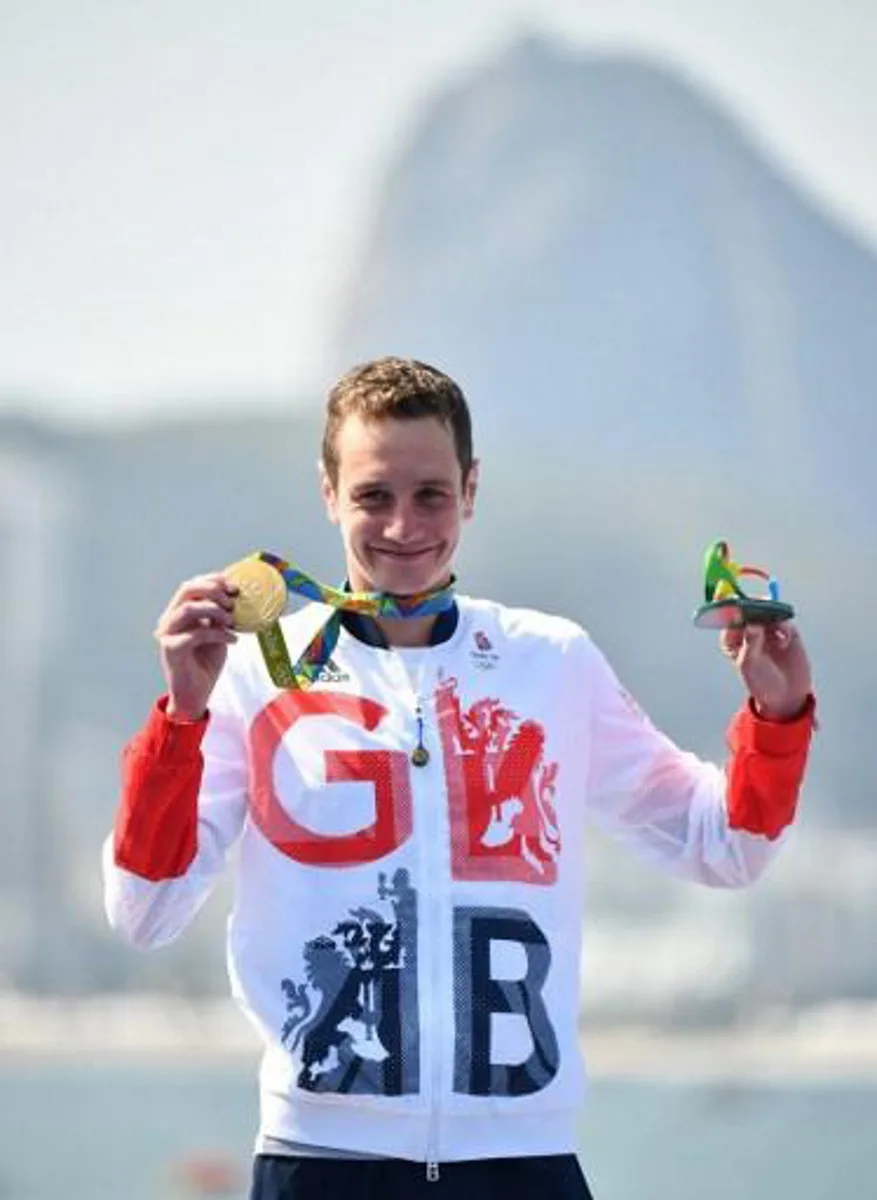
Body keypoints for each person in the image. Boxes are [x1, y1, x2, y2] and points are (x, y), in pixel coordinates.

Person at [103, 356, 816, 1200]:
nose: (403, 525)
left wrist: (778, 715)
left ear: (470, 490)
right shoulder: (255, 673)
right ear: (327, 493)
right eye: (373, 495)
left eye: (430, 494)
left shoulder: (550, 660)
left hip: (524, 1164)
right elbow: (143, 912)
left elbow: (723, 845)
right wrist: (182, 716)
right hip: (320, 1166)